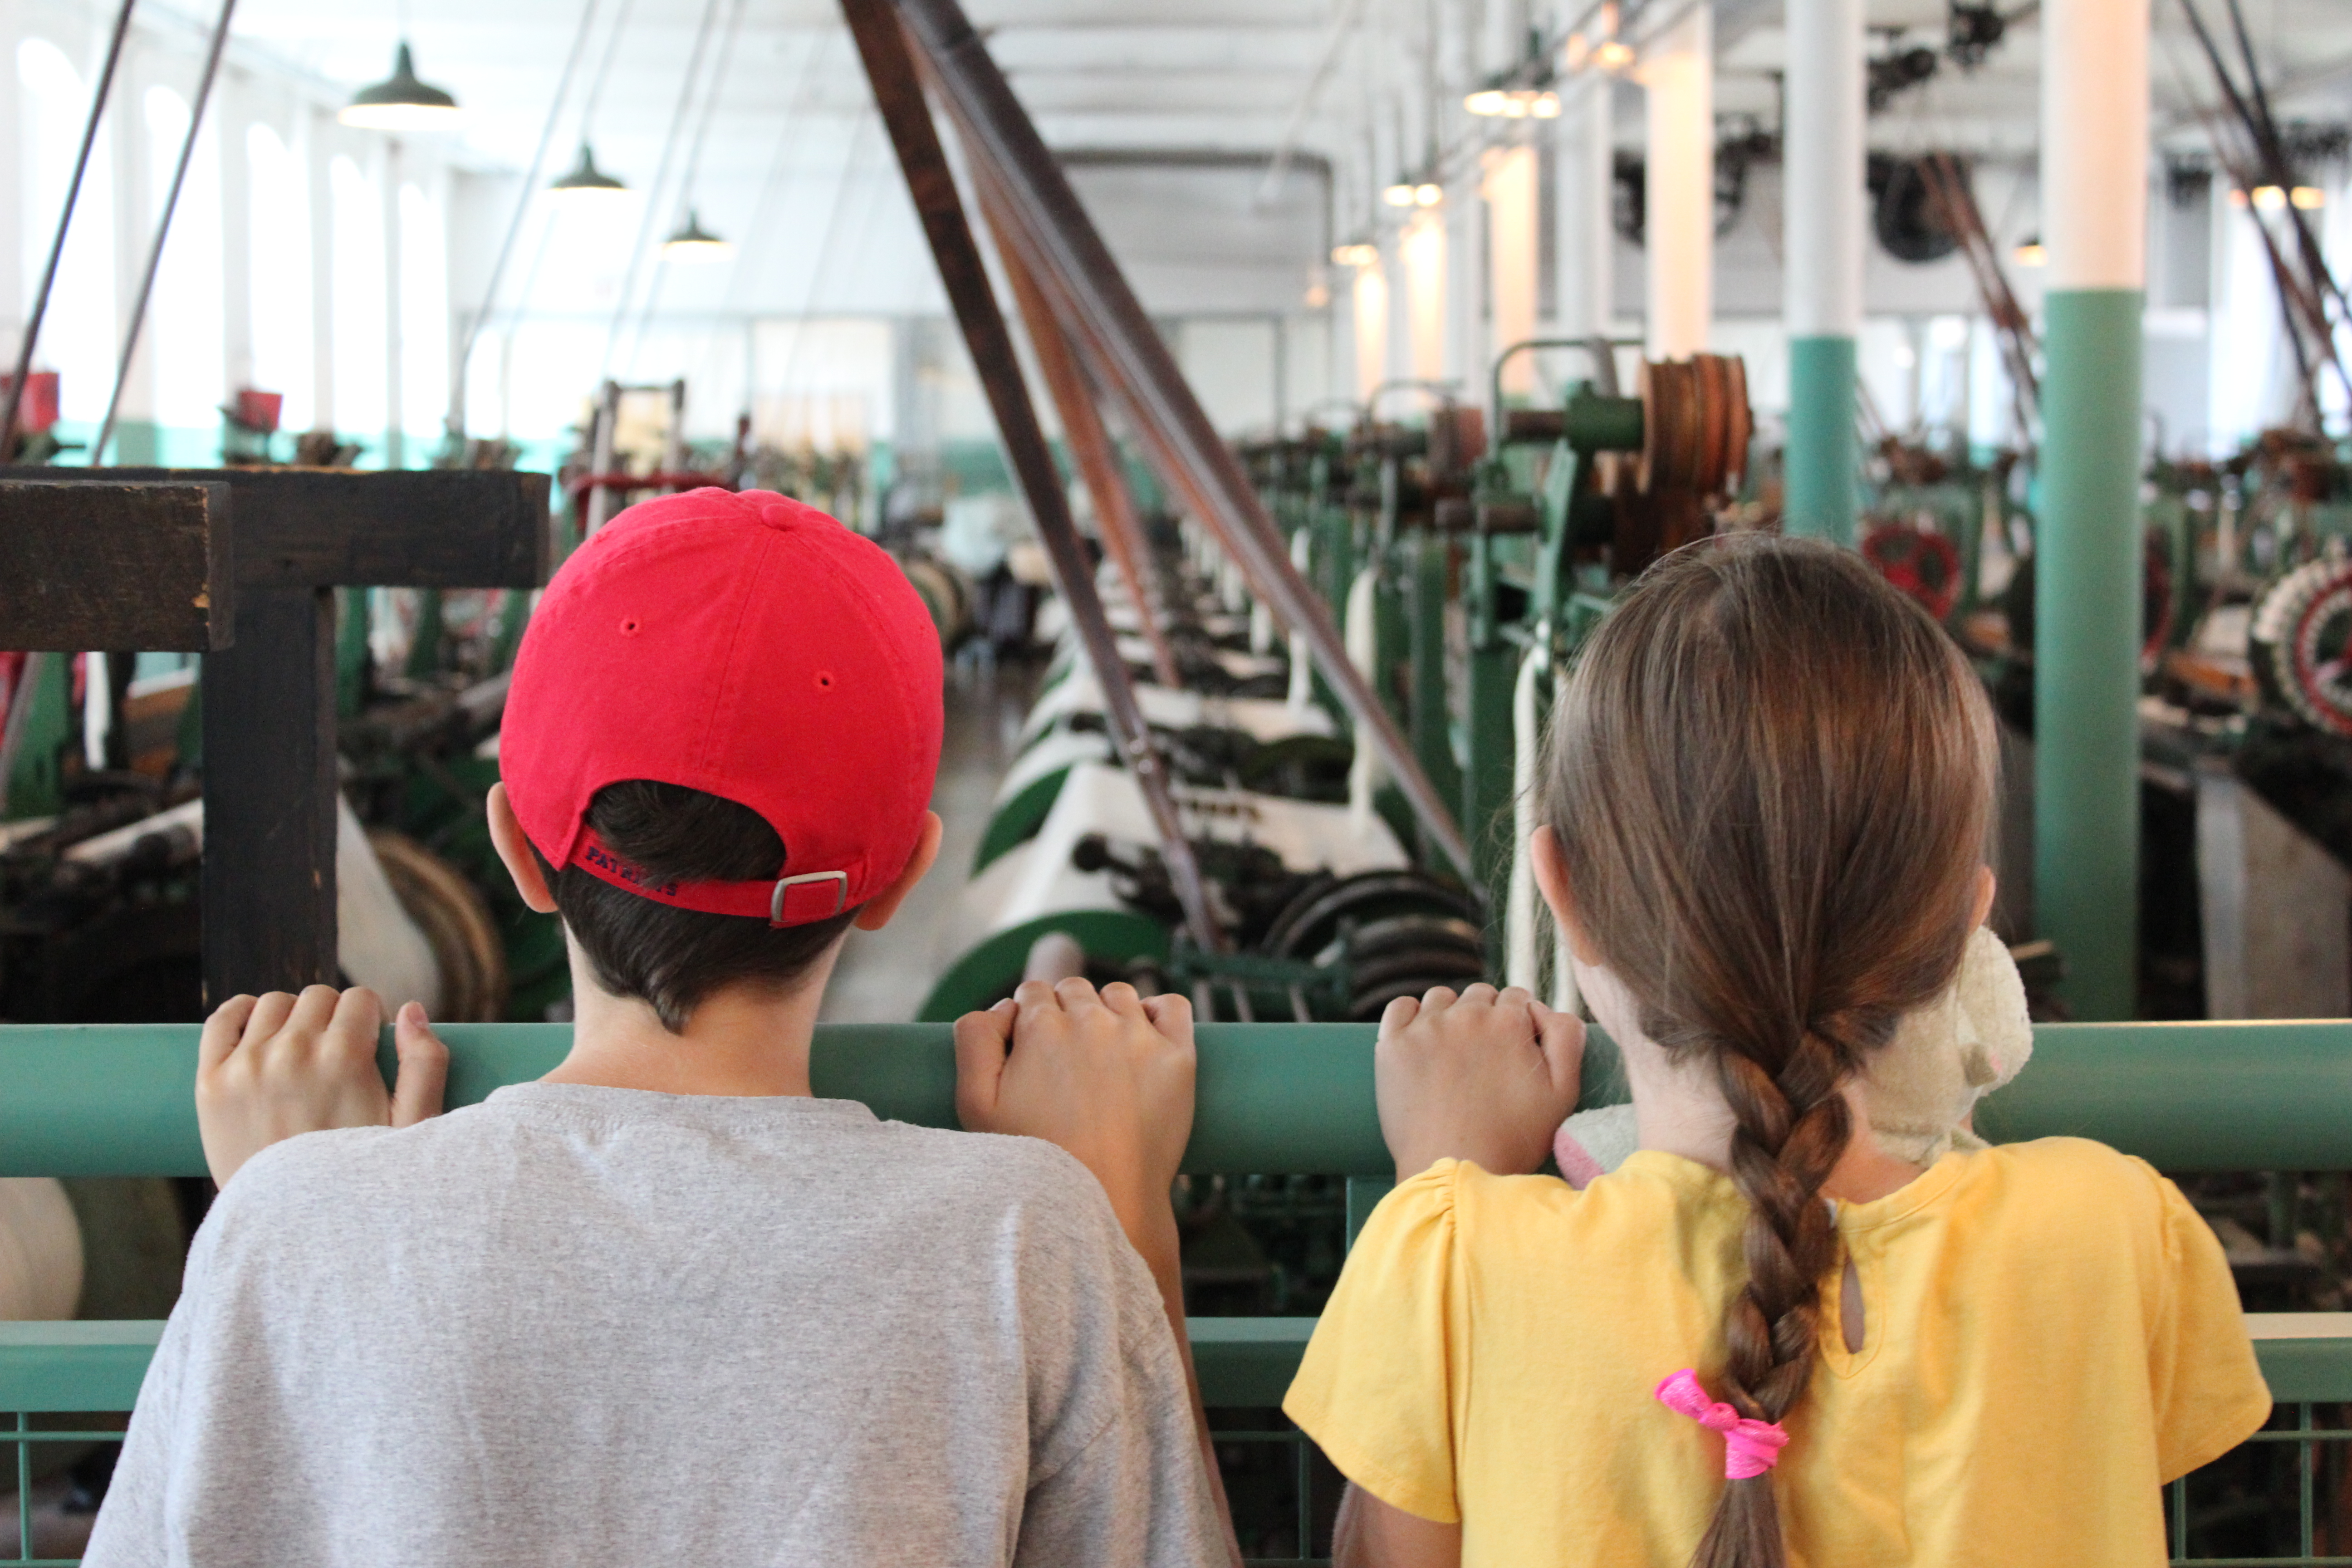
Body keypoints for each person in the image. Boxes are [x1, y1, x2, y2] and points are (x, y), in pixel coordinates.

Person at [84, 488, 1236, 1568]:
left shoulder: (290, 1224)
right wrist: (1129, 1213)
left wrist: (304, 1206)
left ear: (516, 850)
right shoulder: (1032, 1241)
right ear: (898, 880)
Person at [1283, 537, 2270, 1568]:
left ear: (1562, 894)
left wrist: (1439, 1172)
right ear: (1963, 929)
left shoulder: (1457, 1265)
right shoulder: (2119, 1235)